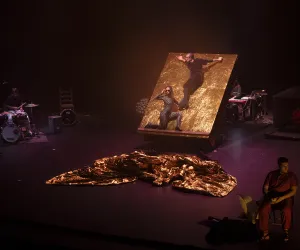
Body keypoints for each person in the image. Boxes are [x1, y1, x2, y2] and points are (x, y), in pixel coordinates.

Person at [258, 157, 298, 242]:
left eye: (287, 165)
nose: (286, 168)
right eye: (284, 166)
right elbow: (265, 188)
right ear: (279, 166)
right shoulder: (271, 174)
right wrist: (269, 196)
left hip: (285, 197)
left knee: (286, 210)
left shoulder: (291, 175)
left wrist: (281, 198)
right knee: (263, 209)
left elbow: (294, 191)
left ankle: (286, 230)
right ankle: (265, 232)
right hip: (273, 196)